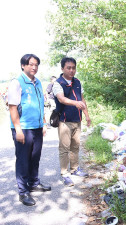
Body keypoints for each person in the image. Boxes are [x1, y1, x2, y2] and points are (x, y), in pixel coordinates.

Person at [8, 54, 51, 206]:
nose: (34, 67)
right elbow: (12, 107)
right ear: (23, 66)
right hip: (23, 128)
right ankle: (23, 192)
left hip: (37, 127)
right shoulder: (17, 82)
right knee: (23, 160)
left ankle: (34, 183)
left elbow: (40, 104)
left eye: (36, 65)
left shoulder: (38, 82)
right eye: (31, 64)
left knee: (35, 157)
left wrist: (44, 123)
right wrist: (18, 130)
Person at [52, 57, 91, 186]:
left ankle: (75, 169)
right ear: (62, 68)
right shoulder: (58, 83)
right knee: (64, 148)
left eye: (73, 67)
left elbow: (82, 99)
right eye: (68, 68)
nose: (71, 70)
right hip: (64, 121)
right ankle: (65, 173)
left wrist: (87, 115)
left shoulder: (78, 82)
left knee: (75, 146)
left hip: (77, 120)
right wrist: (76, 103)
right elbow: (61, 99)